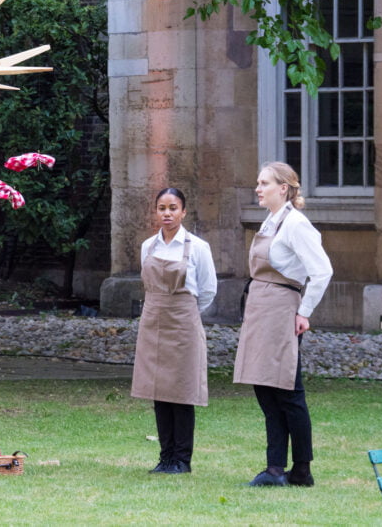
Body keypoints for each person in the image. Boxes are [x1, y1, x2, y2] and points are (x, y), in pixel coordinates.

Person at [234, 161, 333, 488]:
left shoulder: (295, 224)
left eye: (264, 183)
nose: (258, 189)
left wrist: (304, 311)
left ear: (284, 188)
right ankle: (275, 467)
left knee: (288, 390)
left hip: (281, 310)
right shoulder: (269, 222)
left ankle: (301, 469)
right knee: (264, 387)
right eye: (258, 183)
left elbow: (322, 271)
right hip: (260, 308)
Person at [131, 187, 217, 474]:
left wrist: (184, 313)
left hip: (182, 323)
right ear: (156, 211)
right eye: (162, 208)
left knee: (182, 392)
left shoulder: (198, 247)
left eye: (173, 208)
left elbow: (207, 291)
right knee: (158, 390)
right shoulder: (148, 247)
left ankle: (182, 460)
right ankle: (165, 456)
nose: (167, 214)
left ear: (183, 211)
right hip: (153, 321)